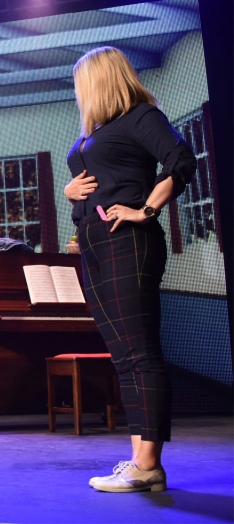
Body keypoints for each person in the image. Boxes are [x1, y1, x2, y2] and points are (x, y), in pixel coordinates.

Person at [64, 47, 196, 493]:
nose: (79, 94)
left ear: (100, 80)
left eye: (81, 84)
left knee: (140, 353)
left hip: (127, 240)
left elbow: (181, 160)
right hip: (94, 243)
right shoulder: (98, 132)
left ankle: (149, 464)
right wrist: (72, 193)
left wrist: (146, 210)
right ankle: (139, 461)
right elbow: (99, 179)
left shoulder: (140, 116)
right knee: (124, 358)